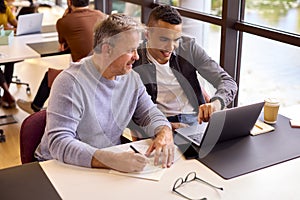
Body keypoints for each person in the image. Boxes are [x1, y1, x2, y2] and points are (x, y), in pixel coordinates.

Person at [34, 13, 174, 172]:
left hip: (103, 164)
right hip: (58, 167)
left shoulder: (132, 79)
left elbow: (150, 113)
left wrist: (165, 132)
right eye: (130, 50)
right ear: (107, 49)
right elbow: (59, 143)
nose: (136, 56)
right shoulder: (70, 82)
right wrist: (111, 160)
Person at [132, 5, 237, 130]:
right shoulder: (134, 60)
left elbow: (227, 81)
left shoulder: (189, 48)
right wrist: (165, 127)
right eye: (164, 39)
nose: (170, 47)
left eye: (176, 39)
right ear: (148, 34)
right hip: (160, 123)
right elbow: (129, 111)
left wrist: (216, 103)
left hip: (195, 120)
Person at [17, 0, 107, 114]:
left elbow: (62, 46)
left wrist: (65, 16)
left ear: (69, 2)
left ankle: (35, 107)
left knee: (50, 75)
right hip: (105, 69)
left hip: (86, 74)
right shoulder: (101, 15)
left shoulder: (64, 22)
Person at [0, 0, 18, 108]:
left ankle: (6, 95)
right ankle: (7, 93)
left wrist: (17, 27)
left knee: (10, 61)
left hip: (3, 42)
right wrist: (8, 29)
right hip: (3, 40)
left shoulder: (3, 6)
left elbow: (14, 22)